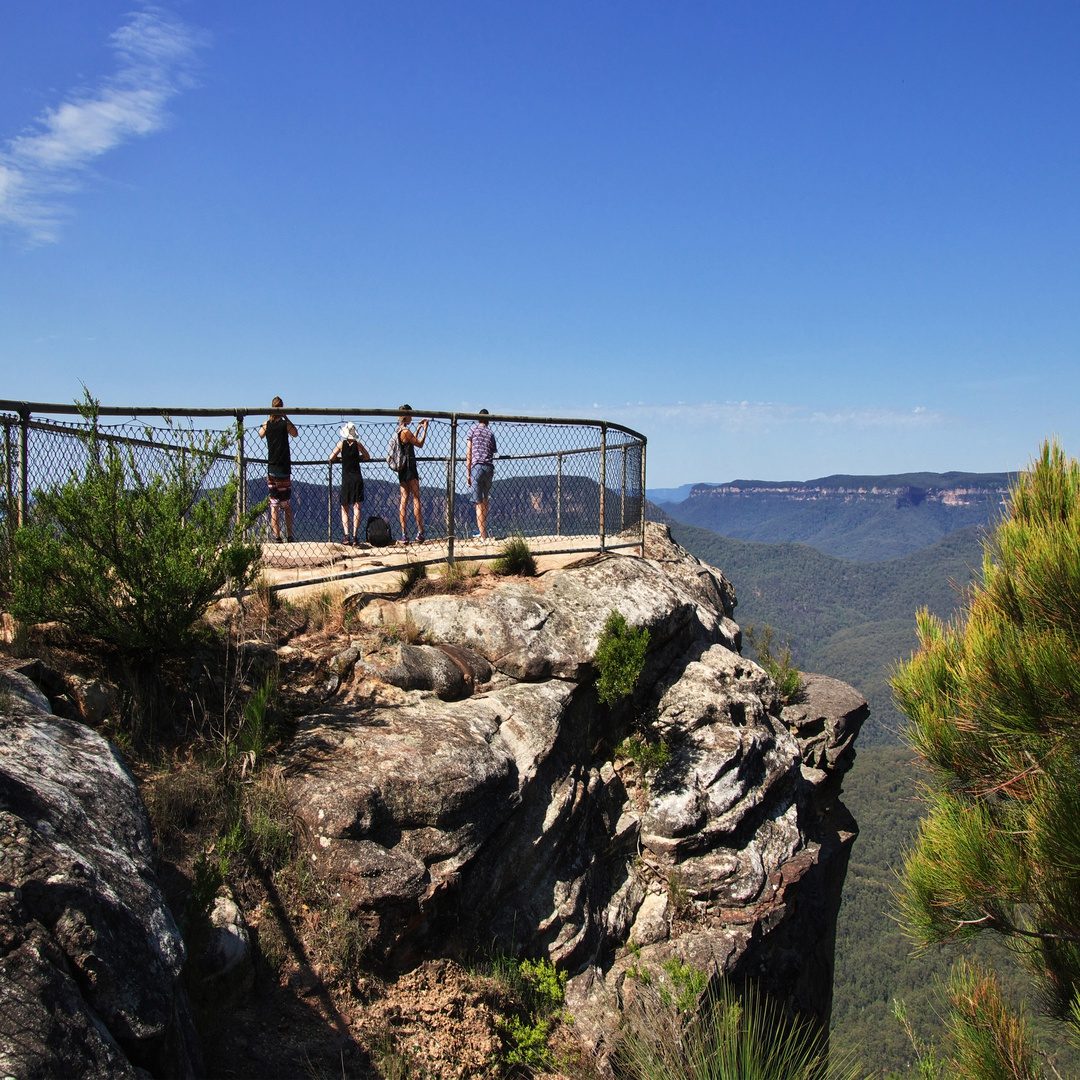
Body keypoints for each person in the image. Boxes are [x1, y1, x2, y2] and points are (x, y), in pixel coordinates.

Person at [258, 396, 298, 542]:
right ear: (282, 408)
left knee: (273, 505)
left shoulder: (267, 424)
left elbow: (260, 434)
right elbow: (295, 433)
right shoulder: (284, 424)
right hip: (284, 468)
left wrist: (268, 418)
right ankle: (290, 535)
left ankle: (277, 536)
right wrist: (286, 417)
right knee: (286, 505)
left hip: (272, 468)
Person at [328, 421, 371, 545]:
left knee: (344, 507)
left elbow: (331, 457)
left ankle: (346, 535)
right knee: (357, 506)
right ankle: (355, 536)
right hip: (357, 477)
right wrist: (358, 458)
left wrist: (340, 459)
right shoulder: (358, 444)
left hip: (346, 478)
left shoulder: (341, 444)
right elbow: (367, 456)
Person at [395, 405, 429, 543]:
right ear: (407, 415)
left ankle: (404, 534)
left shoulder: (399, 431)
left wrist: (419, 428)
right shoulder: (406, 432)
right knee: (416, 499)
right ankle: (420, 531)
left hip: (402, 469)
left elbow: (410, 440)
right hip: (410, 467)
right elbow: (419, 443)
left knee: (403, 500)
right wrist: (426, 428)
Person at [465, 409, 496, 540]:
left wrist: (468, 473)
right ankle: (484, 530)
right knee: (485, 499)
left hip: (477, 467)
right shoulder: (490, 433)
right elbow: (493, 451)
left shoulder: (472, 430)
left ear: (478, 418)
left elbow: (469, 453)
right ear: (488, 420)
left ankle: (482, 535)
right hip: (489, 467)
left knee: (478, 502)